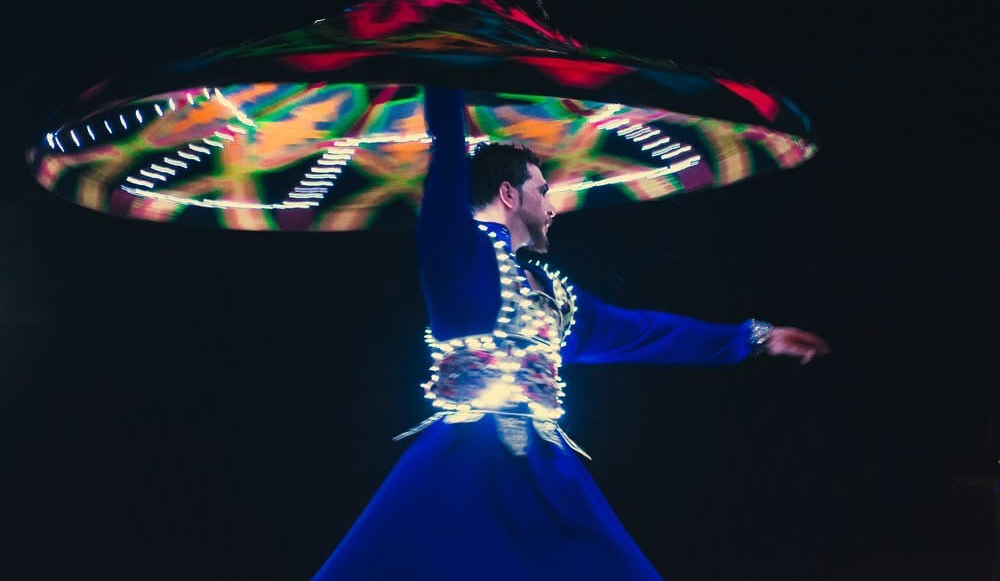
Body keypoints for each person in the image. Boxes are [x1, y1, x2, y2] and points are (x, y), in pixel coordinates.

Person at [309, 87, 830, 580]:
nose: (552, 206)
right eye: (543, 191)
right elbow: (447, 157)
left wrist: (754, 337)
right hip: (464, 463)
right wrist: (447, 75)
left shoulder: (554, 294)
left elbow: (642, 331)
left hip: (545, 469)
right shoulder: (458, 255)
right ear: (508, 194)